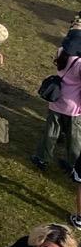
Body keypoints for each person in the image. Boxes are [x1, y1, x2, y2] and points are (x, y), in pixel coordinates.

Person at [34, 28, 81, 173]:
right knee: (74, 138)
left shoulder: (61, 53)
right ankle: (75, 164)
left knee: (51, 132)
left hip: (56, 99)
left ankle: (42, 158)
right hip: (73, 105)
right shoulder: (79, 63)